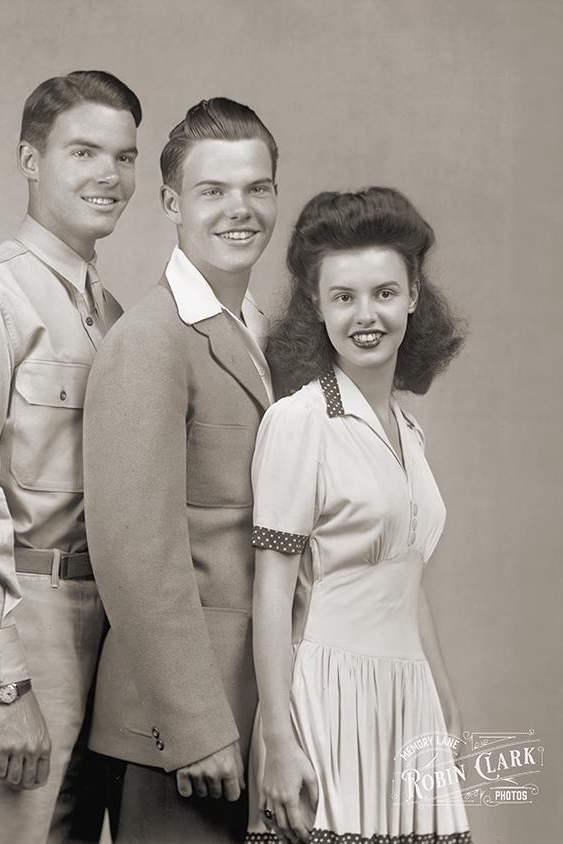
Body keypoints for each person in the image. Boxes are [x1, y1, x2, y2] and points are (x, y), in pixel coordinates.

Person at [0, 70, 141, 843]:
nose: (109, 176)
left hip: (99, 625)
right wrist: (4, 679)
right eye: (84, 151)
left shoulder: (111, 314)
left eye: (124, 157)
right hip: (16, 613)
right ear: (29, 159)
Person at [245, 188, 472, 843]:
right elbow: (271, 593)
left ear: (413, 296)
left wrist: (444, 697)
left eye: (384, 292)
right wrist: (280, 740)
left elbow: (407, 576)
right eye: (343, 296)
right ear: (316, 304)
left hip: (408, 704)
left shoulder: (408, 429)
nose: (366, 315)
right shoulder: (300, 423)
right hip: (324, 699)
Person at [83, 97, 278, 842]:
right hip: (179, 733)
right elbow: (137, 555)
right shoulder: (149, 341)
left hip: (260, 712)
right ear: (170, 202)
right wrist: (196, 725)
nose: (240, 209)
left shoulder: (265, 333)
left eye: (257, 187)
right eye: (214, 190)